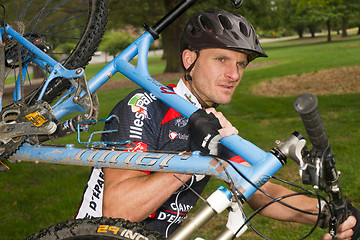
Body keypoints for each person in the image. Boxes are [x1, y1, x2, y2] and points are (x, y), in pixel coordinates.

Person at [75, 9, 359, 239]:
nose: (233, 74)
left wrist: (331, 213)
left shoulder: (213, 124)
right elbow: (117, 210)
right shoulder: (145, 105)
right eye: (221, 59)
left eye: (241, 64)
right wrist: (195, 158)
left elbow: (260, 189)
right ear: (190, 59)